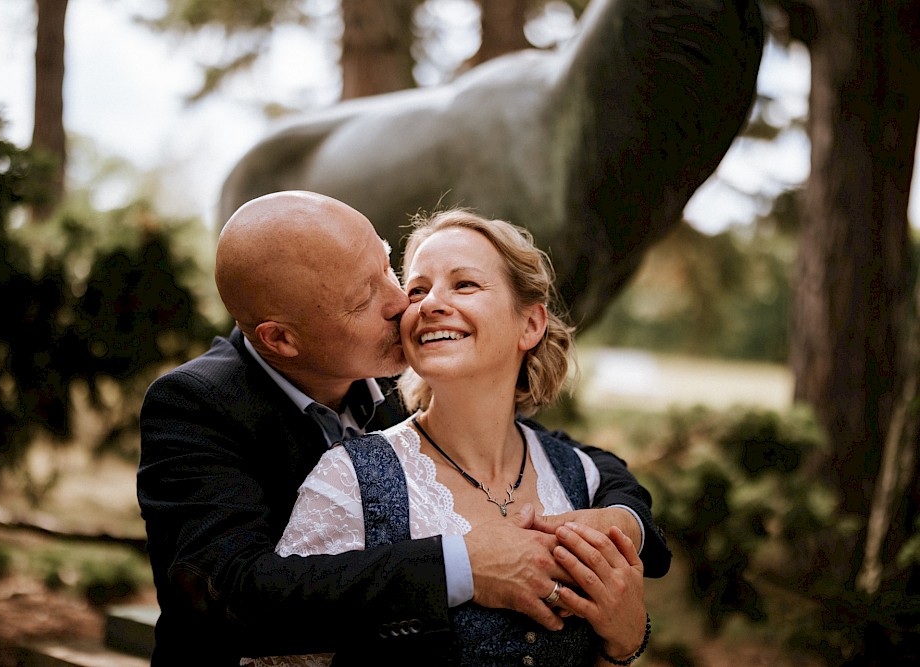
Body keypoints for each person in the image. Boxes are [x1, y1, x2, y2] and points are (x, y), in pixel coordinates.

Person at [137, 191, 670, 666]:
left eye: (388, 269)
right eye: (364, 298)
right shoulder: (197, 405)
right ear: (282, 341)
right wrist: (462, 564)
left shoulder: (399, 371)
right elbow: (227, 597)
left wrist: (624, 530)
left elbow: (554, 455)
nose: (404, 304)